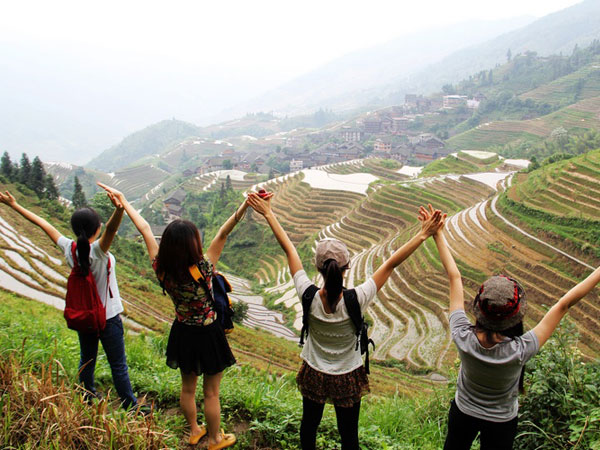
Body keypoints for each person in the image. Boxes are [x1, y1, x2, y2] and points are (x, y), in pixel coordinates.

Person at [247, 193, 444, 450]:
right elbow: (391, 263)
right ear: (347, 266)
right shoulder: (357, 298)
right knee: (349, 435)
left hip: (314, 371)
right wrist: (423, 234)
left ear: (318, 268)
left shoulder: (307, 294)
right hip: (348, 375)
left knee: (309, 426)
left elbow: (289, 249)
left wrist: (268, 212)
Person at [428, 204, 600, 450]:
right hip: (502, 421)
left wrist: (437, 233)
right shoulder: (521, 349)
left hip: (463, 411)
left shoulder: (462, 335)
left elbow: (454, 277)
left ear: (478, 309)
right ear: (516, 317)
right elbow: (564, 305)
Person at [97, 182, 244, 449]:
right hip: (209, 333)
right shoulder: (204, 267)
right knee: (211, 393)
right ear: (193, 245)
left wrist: (124, 202)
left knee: (187, 388)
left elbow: (144, 229)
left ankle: (194, 431)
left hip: (183, 332)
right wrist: (245, 205)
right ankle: (214, 439)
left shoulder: (160, 268)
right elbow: (223, 232)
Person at [0, 189, 139, 409]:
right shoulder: (98, 251)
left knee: (87, 360)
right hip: (109, 316)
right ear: (97, 228)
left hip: (84, 315)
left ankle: (87, 396)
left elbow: (43, 224)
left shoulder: (69, 248)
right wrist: (119, 209)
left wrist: (14, 205)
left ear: (75, 229)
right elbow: (112, 229)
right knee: (118, 365)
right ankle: (130, 405)